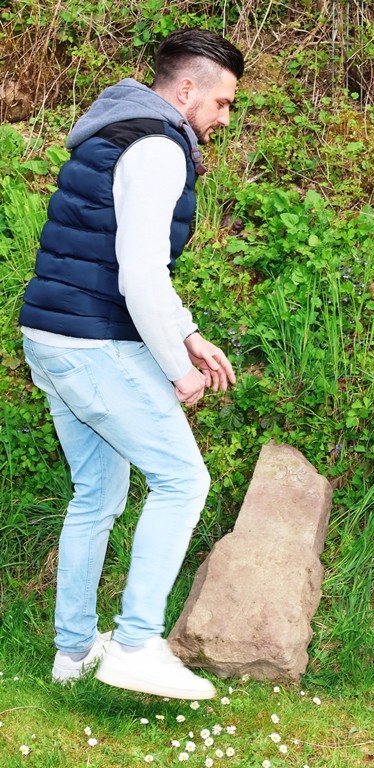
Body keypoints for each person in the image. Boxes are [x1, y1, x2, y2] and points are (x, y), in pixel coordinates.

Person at [19, 29, 244, 700]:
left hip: (53, 334)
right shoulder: (157, 148)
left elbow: (122, 256)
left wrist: (188, 333)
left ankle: (74, 653)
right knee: (183, 481)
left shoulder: (115, 131)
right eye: (222, 103)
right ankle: (138, 643)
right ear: (186, 89)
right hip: (94, 343)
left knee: (96, 494)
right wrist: (177, 367)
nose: (223, 119)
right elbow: (140, 273)